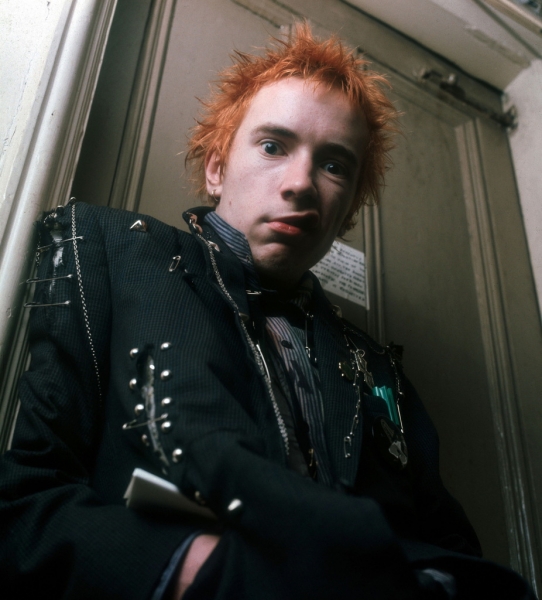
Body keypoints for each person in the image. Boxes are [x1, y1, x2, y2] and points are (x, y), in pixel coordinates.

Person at [0, 23, 536, 600]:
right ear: (216, 169)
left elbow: (450, 544)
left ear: (349, 208)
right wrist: (193, 569)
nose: (301, 184)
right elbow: (25, 500)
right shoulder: (110, 250)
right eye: (273, 146)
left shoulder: (380, 371)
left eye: (335, 166)